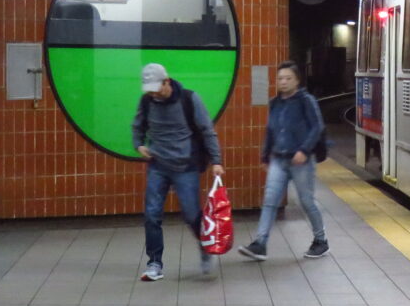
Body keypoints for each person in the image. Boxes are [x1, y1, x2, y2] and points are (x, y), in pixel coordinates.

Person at [132, 62, 224, 281]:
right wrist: (138, 144)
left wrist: (217, 161)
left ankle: (205, 247)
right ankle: (155, 262)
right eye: (150, 90)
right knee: (152, 215)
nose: (154, 93)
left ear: (167, 81)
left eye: (157, 88)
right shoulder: (147, 101)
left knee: (192, 214)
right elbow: (138, 126)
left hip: (186, 166)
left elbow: (207, 130)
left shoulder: (189, 99)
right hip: (158, 165)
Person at [237, 61, 330, 261]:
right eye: (280, 78)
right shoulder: (275, 103)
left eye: (288, 78)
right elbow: (271, 130)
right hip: (279, 159)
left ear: (297, 81)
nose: (284, 82)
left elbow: (317, 127)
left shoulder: (306, 101)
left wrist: (304, 150)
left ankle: (320, 240)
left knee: (306, 201)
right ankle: (260, 243)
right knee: (270, 201)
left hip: (301, 161)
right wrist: (265, 155)